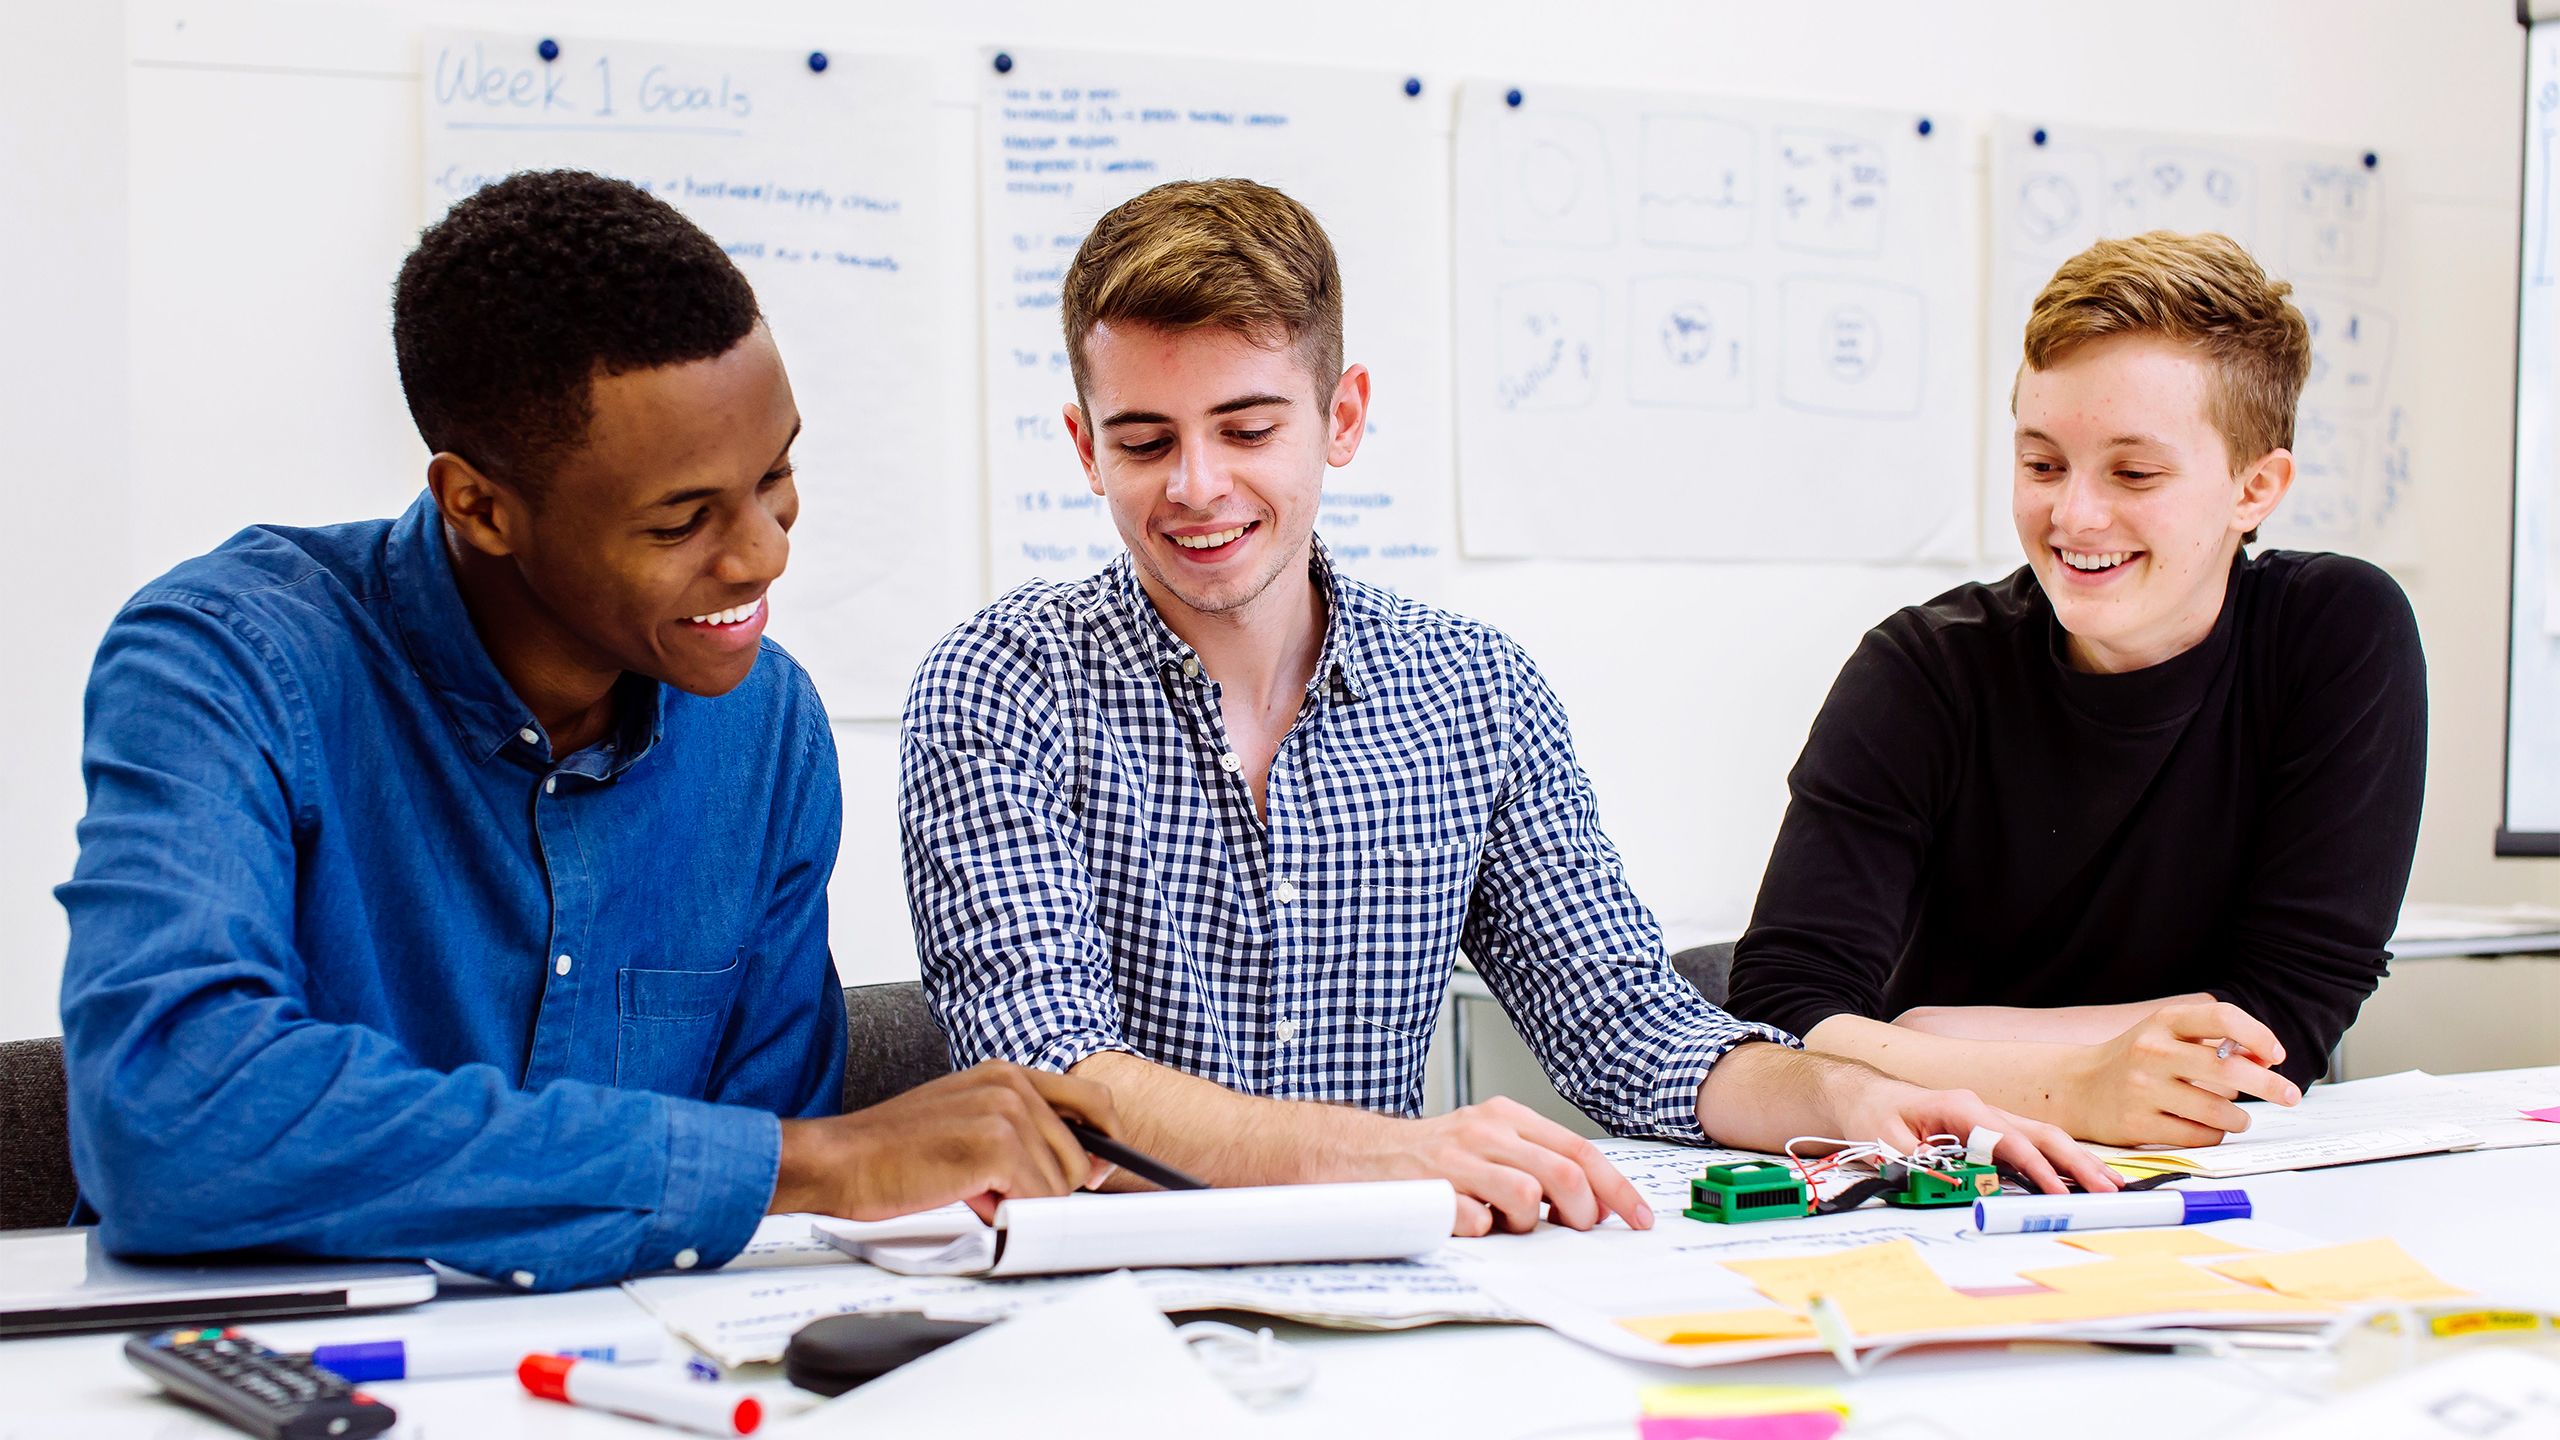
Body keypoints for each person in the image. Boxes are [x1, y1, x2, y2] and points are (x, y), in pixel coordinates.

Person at [901, 178, 2114, 1237]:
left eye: (1247, 426)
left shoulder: (1471, 693)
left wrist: (1843, 1099)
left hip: (1382, 1298)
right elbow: (1049, 1083)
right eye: (1144, 439)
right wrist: (1395, 1152)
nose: (1198, 484)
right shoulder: (999, 687)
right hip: (1090, 1306)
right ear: (1082, 445)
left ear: (1342, 416)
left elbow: (1623, 1023)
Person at [57, 170, 1117, 1291]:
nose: (762, 554)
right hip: (252, 1366)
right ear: (479, 505)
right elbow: (170, 1118)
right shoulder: (226, 661)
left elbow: (776, 1219)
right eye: (681, 518)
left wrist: (798, 1172)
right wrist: (803, 1161)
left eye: (776, 474)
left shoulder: (765, 729)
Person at [1726, 231, 2426, 1149]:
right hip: (1949, 1161)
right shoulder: (1920, 670)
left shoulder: (2338, 632)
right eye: (2042, 464)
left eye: (2135, 472)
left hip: (2209, 1167)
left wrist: (1930, 1032)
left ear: (2255, 489)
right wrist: (2078, 1083)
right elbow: (1783, 1009)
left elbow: (2284, 1019)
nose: (2075, 516)